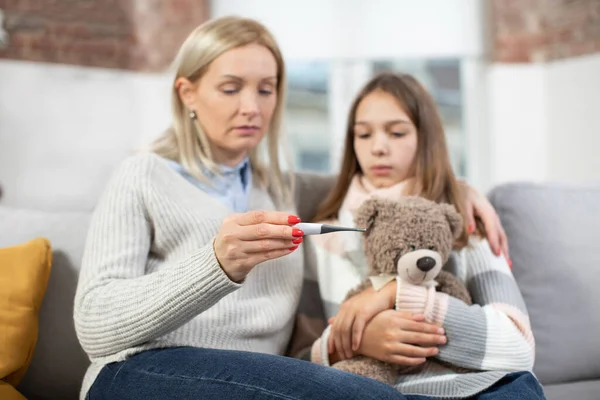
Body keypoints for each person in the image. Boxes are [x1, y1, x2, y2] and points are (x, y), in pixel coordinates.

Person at [74, 16, 513, 400]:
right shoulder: (142, 176)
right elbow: (94, 327)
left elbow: (375, 179)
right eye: (230, 88)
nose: (252, 107)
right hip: (138, 373)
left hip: (261, 381)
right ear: (187, 93)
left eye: (266, 89)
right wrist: (216, 264)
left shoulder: (282, 187)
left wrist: (458, 186)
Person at [300, 72, 546, 399]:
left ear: (425, 138)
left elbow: (517, 346)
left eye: (397, 132)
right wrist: (358, 339)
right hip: (377, 392)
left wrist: (398, 294)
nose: (378, 147)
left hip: (478, 389)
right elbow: (301, 360)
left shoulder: (466, 222)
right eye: (363, 134)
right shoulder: (322, 239)